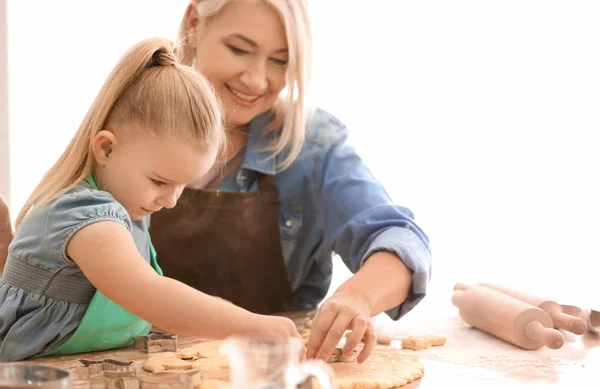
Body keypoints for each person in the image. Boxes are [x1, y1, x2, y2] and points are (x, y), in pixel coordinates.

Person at [146, 0, 433, 364]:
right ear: (194, 24)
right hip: (143, 368)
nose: (256, 79)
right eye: (239, 49)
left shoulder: (313, 148)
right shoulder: (136, 119)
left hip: (274, 372)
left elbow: (399, 239)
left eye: (280, 60)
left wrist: (358, 297)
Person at [0, 37, 301, 362]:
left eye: (183, 185)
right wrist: (247, 325)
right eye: (160, 181)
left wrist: (236, 318)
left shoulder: (130, 212)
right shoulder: (82, 217)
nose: (171, 201)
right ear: (106, 149)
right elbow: (150, 294)